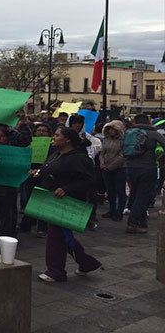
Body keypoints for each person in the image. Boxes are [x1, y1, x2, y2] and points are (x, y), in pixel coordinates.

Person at [37, 126, 101, 282]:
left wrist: (66, 189)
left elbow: (88, 181)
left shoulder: (80, 158)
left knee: (56, 235)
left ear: (67, 140)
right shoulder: (55, 155)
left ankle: (56, 271)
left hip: (67, 202)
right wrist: (37, 174)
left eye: (57, 135)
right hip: (51, 199)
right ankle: (86, 262)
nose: (53, 137)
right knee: (62, 234)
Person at [123, 114, 165, 234]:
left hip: (131, 167)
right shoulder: (153, 133)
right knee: (143, 196)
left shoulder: (129, 133)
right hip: (147, 168)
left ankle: (140, 221)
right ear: (148, 122)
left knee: (135, 193)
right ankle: (132, 222)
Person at [20, 123, 52, 236]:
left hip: (45, 175)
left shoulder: (52, 145)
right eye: (39, 130)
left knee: (42, 200)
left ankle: (42, 227)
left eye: (44, 131)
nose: (41, 133)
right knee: (29, 199)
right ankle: (27, 224)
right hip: (30, 174)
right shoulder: (29, 143)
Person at [99, 120, 126, 222]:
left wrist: (111, 166)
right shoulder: (106, 140)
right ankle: (112, 210)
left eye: (113, 129)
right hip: (106, 168)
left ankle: (119, 212)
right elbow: (102, 153)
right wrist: (102, 164)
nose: (111, 131)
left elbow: (122, 156)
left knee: (120, 191)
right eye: (109, 129)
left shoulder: (123, 141)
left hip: (119, 168)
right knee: (110, 191)